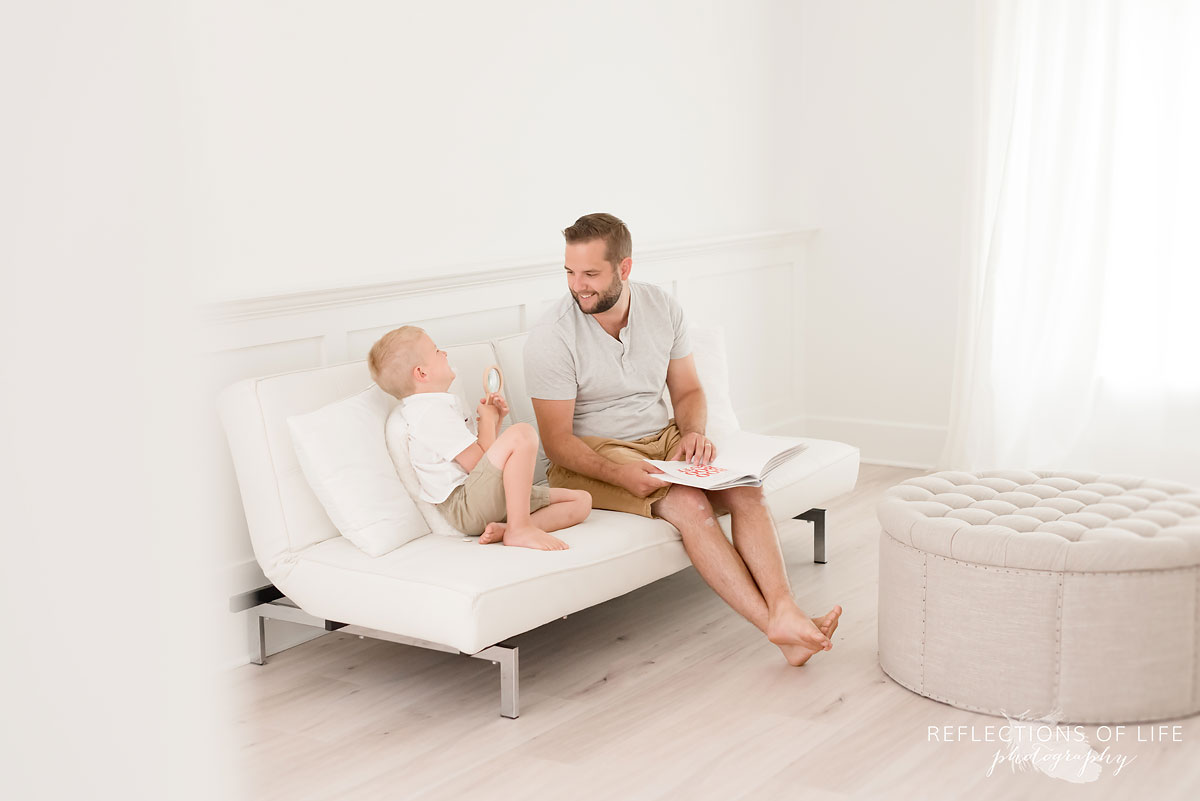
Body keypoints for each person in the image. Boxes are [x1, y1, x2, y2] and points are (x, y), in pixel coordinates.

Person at [524, 213, 842, 664]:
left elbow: (689, 390)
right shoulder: (551, 337)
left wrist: (692, 433)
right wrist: (619, 473)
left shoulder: (662, 307)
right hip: (593, 453)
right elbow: (557, 444)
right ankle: (777, 626)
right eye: (570, 273)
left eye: (591, 273)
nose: (579, 286)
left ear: (625, 268)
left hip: (662, 437)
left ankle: (786, 611)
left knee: (747, 489)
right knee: (691, 505)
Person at [369, 325, 591, 550]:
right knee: (522, 433)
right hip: (466, 503)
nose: (444, 354)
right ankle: (520, 529)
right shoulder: (429, 413)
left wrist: (493, 421)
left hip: (482, 495)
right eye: (436, 351)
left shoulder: (438, 406)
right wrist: (486, 422)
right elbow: (476, 466)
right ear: (422, 373)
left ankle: (509, 528)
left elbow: (487, 462)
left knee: (581, 501)